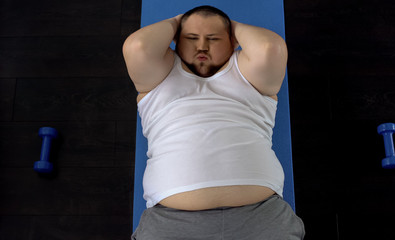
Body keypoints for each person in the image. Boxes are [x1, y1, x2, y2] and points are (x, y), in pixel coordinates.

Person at [123, 5, 305, 240]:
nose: (201, 46)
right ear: (176, 40)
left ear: (233, 41)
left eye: (213, 39)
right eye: (191, 38)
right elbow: (138, 46)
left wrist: (229, 27)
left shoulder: (249, 73)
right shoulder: (159, 77)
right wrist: (181, 21)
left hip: (259, 217)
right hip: (173, 221)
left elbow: (270, 48)